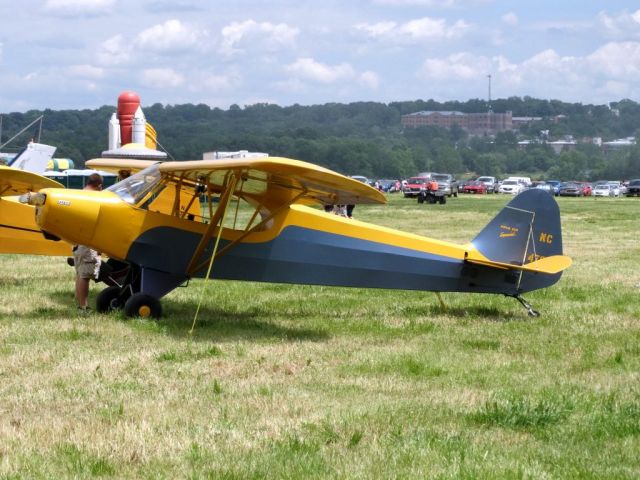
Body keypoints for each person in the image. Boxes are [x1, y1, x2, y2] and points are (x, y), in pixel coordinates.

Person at [73, 173, 103, 312]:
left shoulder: (80, 195)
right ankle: (83, 307)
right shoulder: (94, 198)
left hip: (77, 241)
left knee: (80, 274)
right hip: (88, 242)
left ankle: (80, 305)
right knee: (85, 276)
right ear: (99, 186)